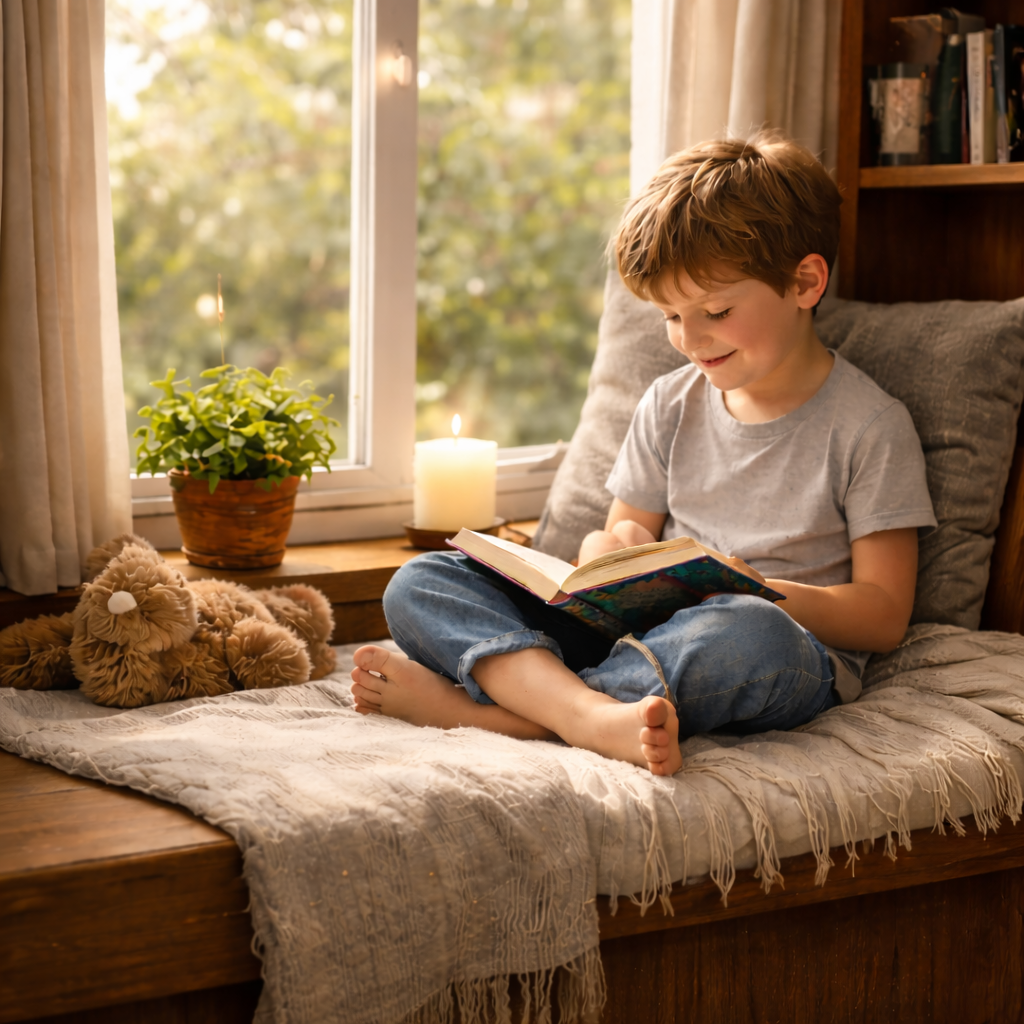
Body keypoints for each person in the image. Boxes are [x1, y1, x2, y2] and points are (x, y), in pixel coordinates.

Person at [350, 132, 937, 775]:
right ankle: (587, 713)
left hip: (769, 647)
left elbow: (883, 617)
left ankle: (512, 714)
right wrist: (611, 551)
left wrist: (761, 590)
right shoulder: (669, 402)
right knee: (424, 581)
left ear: (804, 282)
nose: (690, 339)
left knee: (747, 632)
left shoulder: (870, 426)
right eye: (670, 316)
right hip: (636, 637)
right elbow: (620, 542)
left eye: (714, 309)